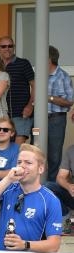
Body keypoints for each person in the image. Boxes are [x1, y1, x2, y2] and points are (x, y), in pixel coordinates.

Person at [0, 36, 35, 145]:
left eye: (10, 46)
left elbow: (35, 85)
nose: (7, 49)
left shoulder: (23, 63)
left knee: (18, 149)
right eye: (3, 46)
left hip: (21, 113)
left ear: (14, 47)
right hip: (2, 115)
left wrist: (30, 105)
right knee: (4, 148)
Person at [47, 45, 74, 183]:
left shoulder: (62, 76)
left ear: (49, 59)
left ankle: (51, 188)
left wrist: (50, 98)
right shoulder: (39, 75)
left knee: (54, 156)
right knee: (37, 151)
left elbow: (70, 102)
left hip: (56, 120)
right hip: (39, 119)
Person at [46, 143, 74, 233]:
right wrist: (69, 186)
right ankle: (65, 218)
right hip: (72, 194)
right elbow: (60, 177)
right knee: (48, 187)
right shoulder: (71, 150)